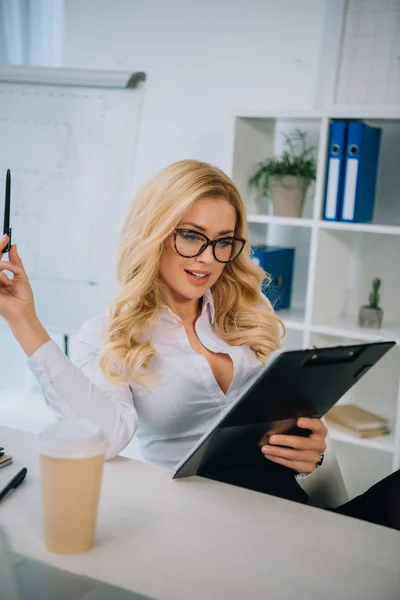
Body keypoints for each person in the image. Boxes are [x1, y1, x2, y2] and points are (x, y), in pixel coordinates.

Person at [0, 159, 398, 530]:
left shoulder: (247, 308)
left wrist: (311, 450)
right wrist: (24, 320)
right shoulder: (111, 334)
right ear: (153, 233)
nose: (207, 259)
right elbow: (104, 436)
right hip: (206, 522)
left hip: (287, 506)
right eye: (191, 236)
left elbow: (288, 418)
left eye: (223, 241)